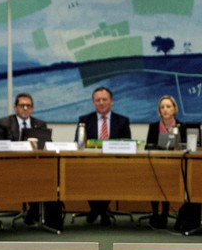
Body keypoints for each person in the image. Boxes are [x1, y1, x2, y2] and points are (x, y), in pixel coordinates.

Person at [0, 93, 59, 228]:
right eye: (22, 105)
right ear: (16, 107)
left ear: (32, 108)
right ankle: (33, 211)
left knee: (47, 176)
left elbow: (47, 145)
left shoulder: (40, 124)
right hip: (10, 167)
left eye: (28, 106)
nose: (25, 108)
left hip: (34, 166)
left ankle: (36, 212)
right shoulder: (3, 124)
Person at [77, 86, 131, 224]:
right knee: (84, 175)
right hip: (90, 164)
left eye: (104, 99)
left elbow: (128, 145)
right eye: (97, 100)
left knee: (111, 175)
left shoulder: (122, 121)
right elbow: (78, 144)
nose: (101, 102)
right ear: (93, 102)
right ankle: (101, 211)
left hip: (115, 164)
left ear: (111, 101)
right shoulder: (84, 120)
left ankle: (96, 211)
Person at [143, 94, 185, 229]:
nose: (165, 110)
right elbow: (148, 146)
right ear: (159, 111)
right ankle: (155, 214)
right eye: (162, 107)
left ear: (174, 109)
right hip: (156, 165)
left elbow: (185, 147)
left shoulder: (181, 126)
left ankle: (165, 214)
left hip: (175, 166)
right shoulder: (154, 126)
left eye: (168, 106)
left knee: (167, 183)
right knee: (153, 180)